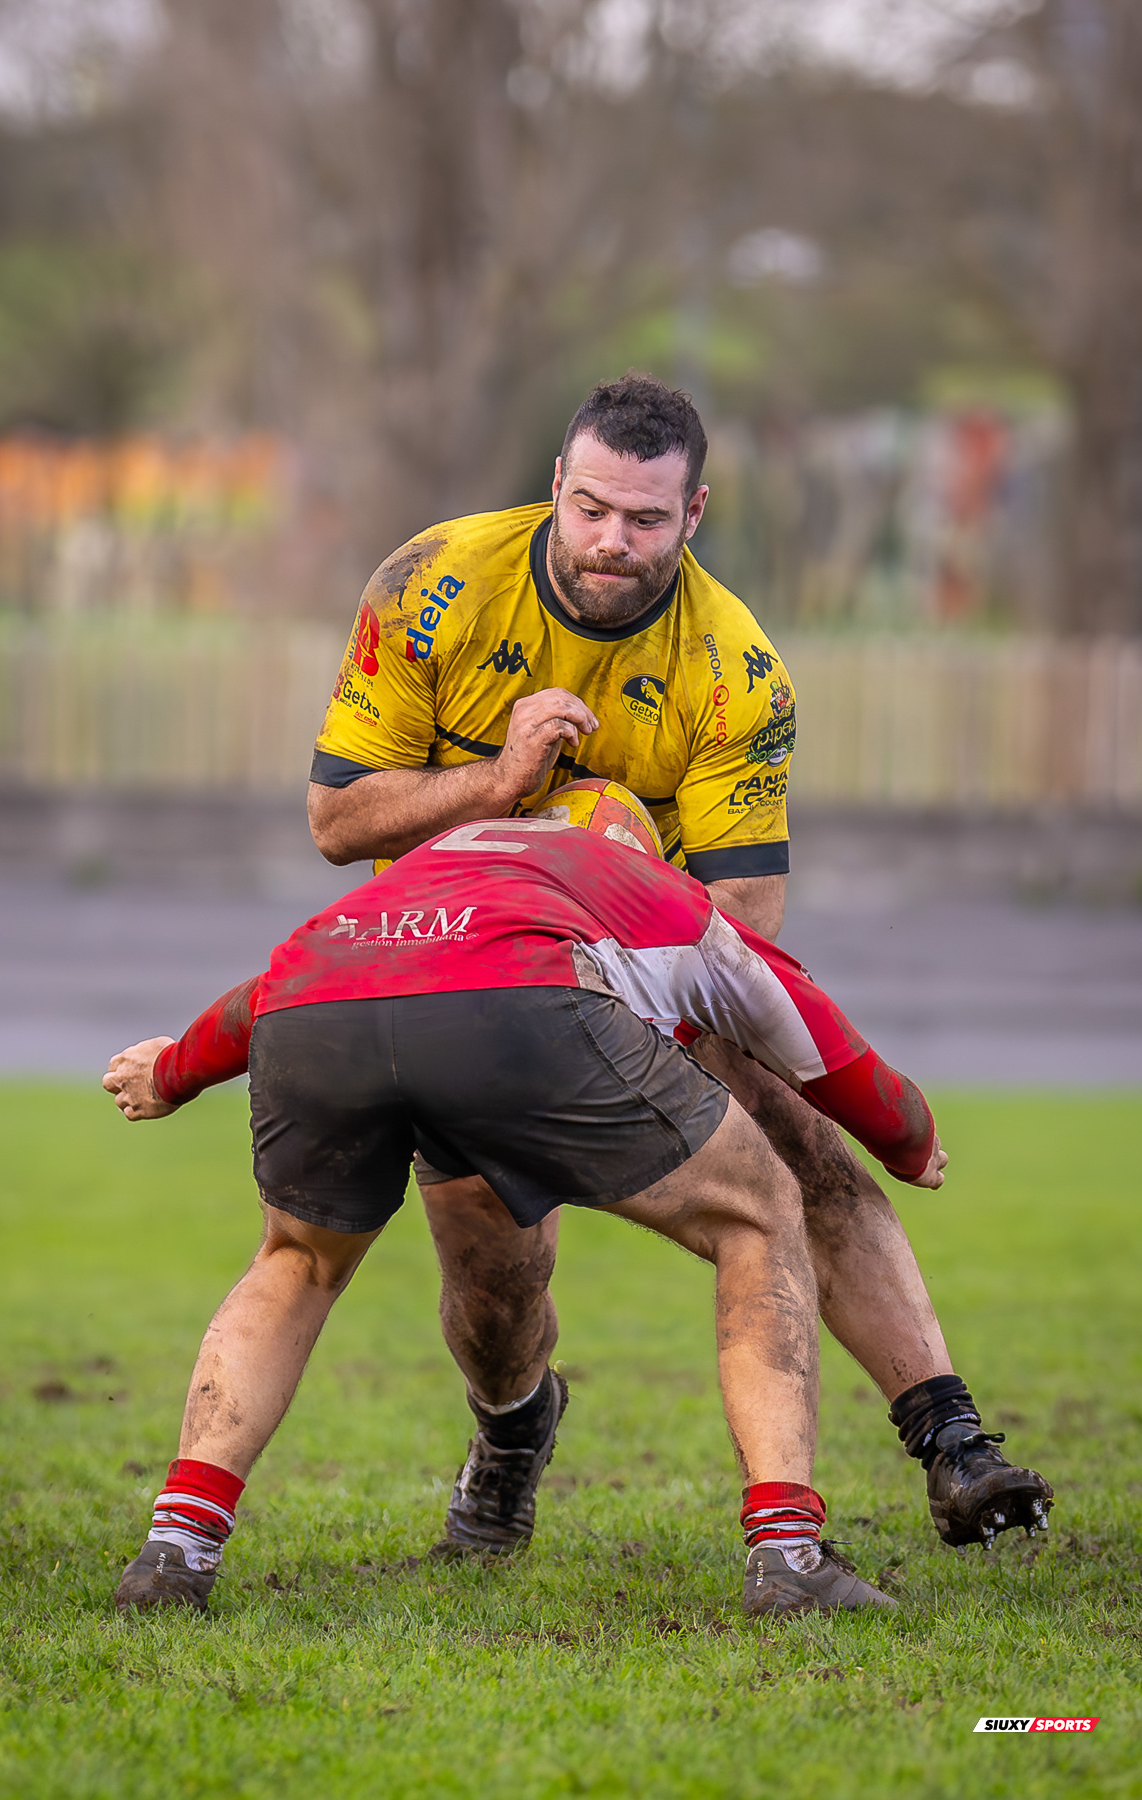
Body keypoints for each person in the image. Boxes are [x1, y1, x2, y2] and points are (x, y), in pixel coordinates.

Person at [301, 373, 1054, 1559]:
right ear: (555, 485)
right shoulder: (431, 584)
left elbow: (741, 916)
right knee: (498, 1294)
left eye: (645, 521)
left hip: (649, 976)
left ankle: (952, 1441)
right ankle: (512, 1432)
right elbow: (339, 823)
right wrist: (498, 788)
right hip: (459, 980)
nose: (612, 542)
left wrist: (607, 947)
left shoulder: (736, 669)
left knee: (802, 1152)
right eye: (591, 508)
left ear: (693, 513)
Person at [105, 785, 969, 1620]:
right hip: (516, 1002)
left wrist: (174, 1072)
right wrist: (908, 1137)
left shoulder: (429, 862)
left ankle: (178, 1544)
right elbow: (801, 1023)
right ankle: (786, 1554)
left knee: (297, 1259)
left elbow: (275, 987)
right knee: (757, 1210)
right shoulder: (637, 877)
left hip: (311, 1008)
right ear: (627, 841)